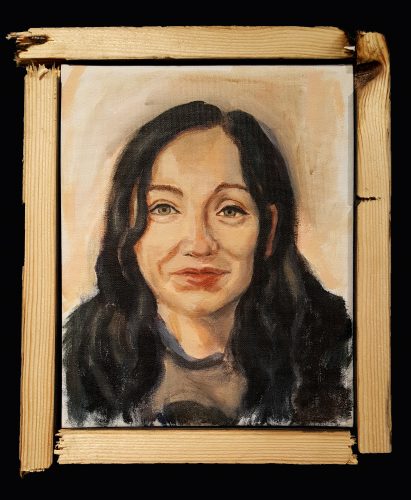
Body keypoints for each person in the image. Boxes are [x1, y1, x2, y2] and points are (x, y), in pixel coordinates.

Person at [63, 101, 352, 427]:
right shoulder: (77, 356)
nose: (199, 245)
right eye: (164, 208)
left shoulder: (335, 354)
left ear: (269, 230)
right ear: (127, 226)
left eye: (230, 210)